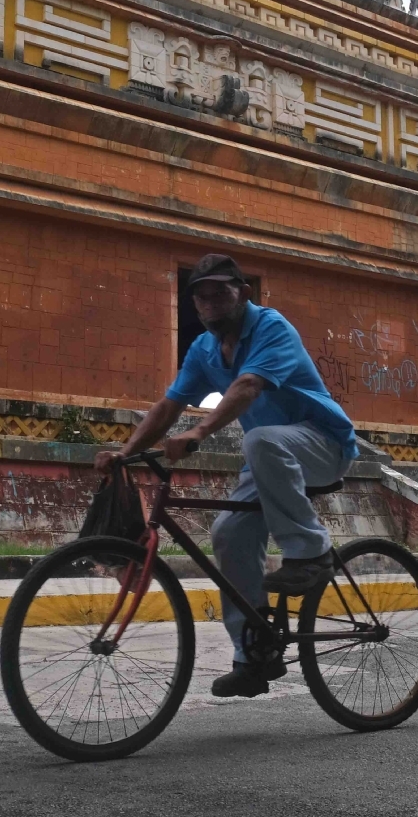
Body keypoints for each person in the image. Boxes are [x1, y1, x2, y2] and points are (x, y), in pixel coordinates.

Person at [96, 253, 357, 698]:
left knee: (261, 441)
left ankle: (311, 553)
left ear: (244, 293)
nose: (211, 303)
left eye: (221, 292)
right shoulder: (203, 349)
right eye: (202, 296)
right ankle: (254, 656)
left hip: (323, 443)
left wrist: (199, 430)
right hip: (271, 454)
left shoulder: (272, 327)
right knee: (228, 532)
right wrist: (124, 452)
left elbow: (249, 386)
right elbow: (167, 407)